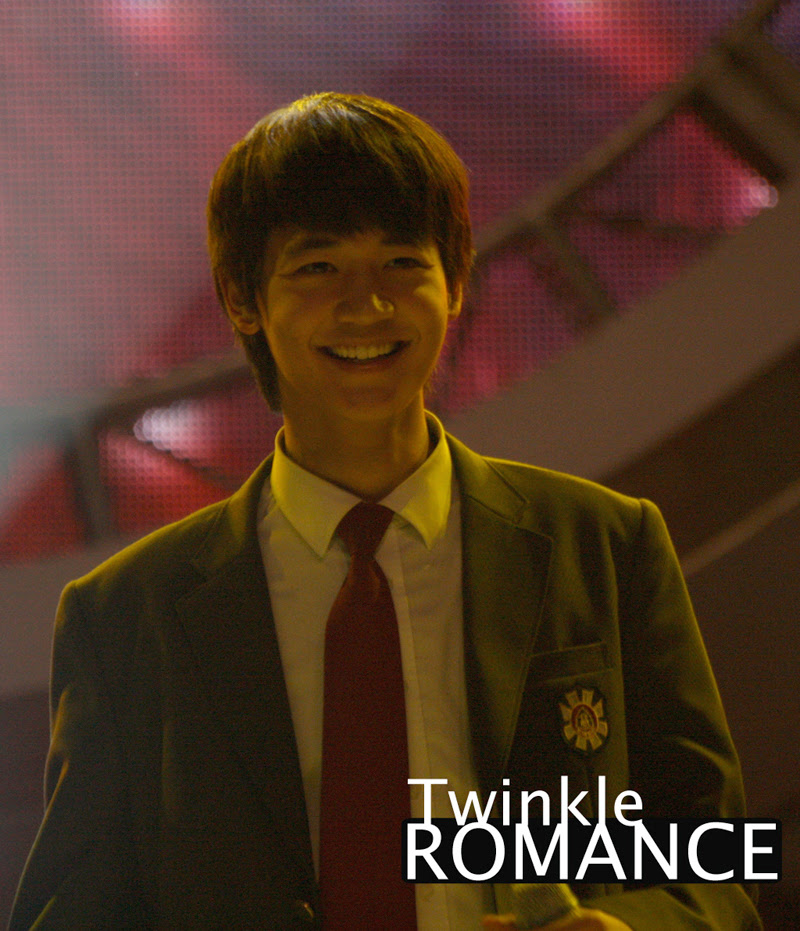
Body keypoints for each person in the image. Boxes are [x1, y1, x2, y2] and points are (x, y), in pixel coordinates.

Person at [9, 93, 761, 930]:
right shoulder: (123, 617)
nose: (366, 304)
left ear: (456, 281)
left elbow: (716, 866)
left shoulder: (609, 545)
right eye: (318, 267)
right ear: (242, 298)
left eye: (402, 261)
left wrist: (626, 928)